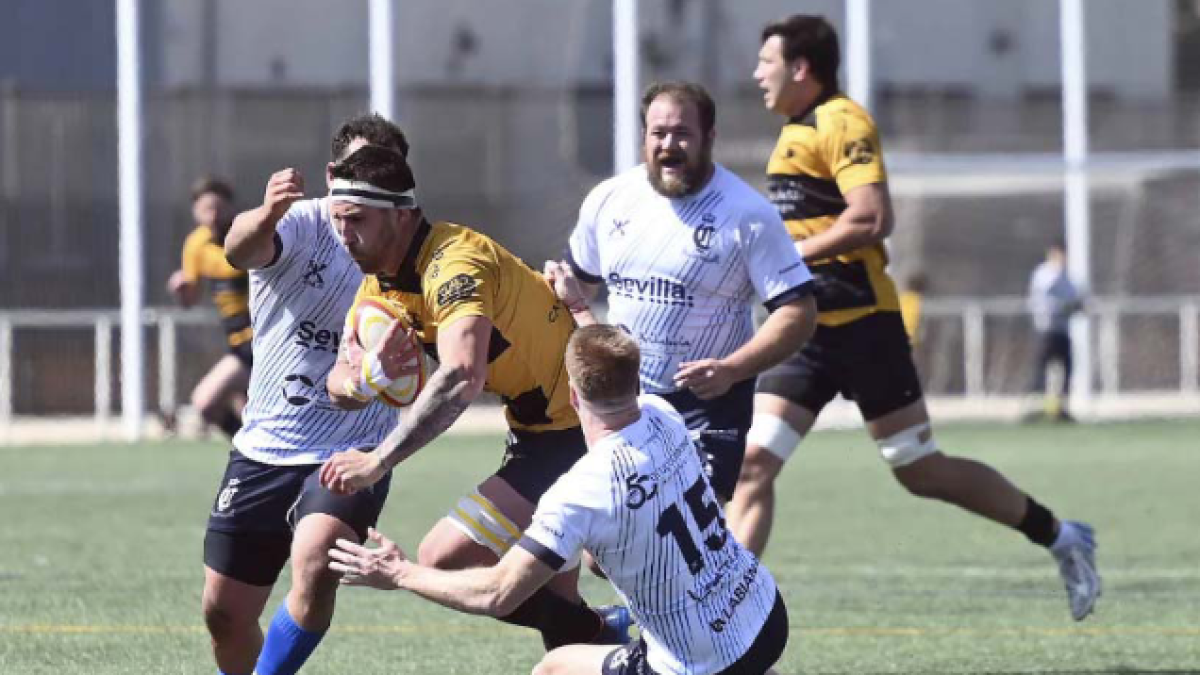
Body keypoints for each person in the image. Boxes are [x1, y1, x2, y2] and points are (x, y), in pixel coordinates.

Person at [725, 14, 1102, 622]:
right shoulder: (794, 129)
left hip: (864, 324)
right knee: (753, 464)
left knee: (919, 469)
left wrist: (787, 255)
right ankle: (721, 614)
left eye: (765, 61)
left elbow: (872, 218)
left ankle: (1061, 535)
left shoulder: (842, 120)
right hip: (806, 329)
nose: (756, 74)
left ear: (801, 68)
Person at [328, 325, 789, 675]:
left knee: (555, 668)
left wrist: (398, 572)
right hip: (766, 613)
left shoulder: (579, 491)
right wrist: (585, 315)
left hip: (701, 661)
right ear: (634, 382)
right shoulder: (663, 414)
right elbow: (614, 369)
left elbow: (497, 592)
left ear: (572, 395)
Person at [317, 145, 632, 649]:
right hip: (538, 432)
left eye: (355, 219)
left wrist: (378, 460)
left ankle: (607, 630)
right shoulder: (382, 283)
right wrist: (362, 379)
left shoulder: (454, 264)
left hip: (574, 431)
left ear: (400, 214)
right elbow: (337, 379)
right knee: (563, 623)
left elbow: (464, 374)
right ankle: (598, 635)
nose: (343, 235)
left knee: (443, 557)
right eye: (337, 220)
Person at [201, 113, 408, 675]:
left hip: (351, 449)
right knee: (223, 613)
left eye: (380, 172)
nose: (365, 183)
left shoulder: (410, 250)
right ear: (331, 173)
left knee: (314, 561)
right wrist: (266, 211)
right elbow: (239, 250)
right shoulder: (301, 223)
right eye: (355, 171)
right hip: (266, 444)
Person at [546, 81, 818, 505]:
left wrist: (730, 369)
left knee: (677, 529)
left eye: (682, 134)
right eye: (659, 133)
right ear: (644, 138)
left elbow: (798, 311)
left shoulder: (747, 214)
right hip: (624, 400)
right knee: (603, 551)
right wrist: (556, 292)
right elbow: (577, 283)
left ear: (709, 138)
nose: (669, 145)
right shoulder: (610, 199)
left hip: (706, 407)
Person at [165, 177, 251, 438]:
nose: (212, 215)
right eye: (205, 209)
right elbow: (189, 300)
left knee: (206, 400)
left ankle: (253, 454)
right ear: (195, 211)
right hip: (237, 343)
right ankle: (253, 453)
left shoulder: (248, 235)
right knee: (226, 407)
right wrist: (180, 290)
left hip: (261, 340)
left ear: (231, 208)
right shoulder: (196, 245)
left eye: (218, 207)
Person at [1026, 239, 1083, 422]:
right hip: (1046, 329)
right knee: (1041, 369)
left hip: (1062, 330)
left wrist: (1076, 306)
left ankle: (1059, 408)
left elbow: (1076, 299)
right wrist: (1064, 305)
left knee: (1066, 368)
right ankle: (1037, 407)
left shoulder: (1068, 277)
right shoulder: (1045, 274)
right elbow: (1046, 298)